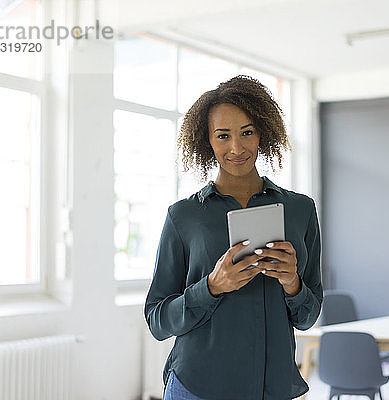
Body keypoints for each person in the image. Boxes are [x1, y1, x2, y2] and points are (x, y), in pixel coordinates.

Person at [144, 75, 322, 400]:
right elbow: (157, 319)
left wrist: (293, 283)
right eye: (223, 136)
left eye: (247, 132)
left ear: (262, 134)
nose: (236, 148)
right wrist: (211, 286)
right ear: (207, 141)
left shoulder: (300, 210)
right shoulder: (183, 216)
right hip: (197, 386)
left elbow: (308, 317)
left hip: (273, 388)